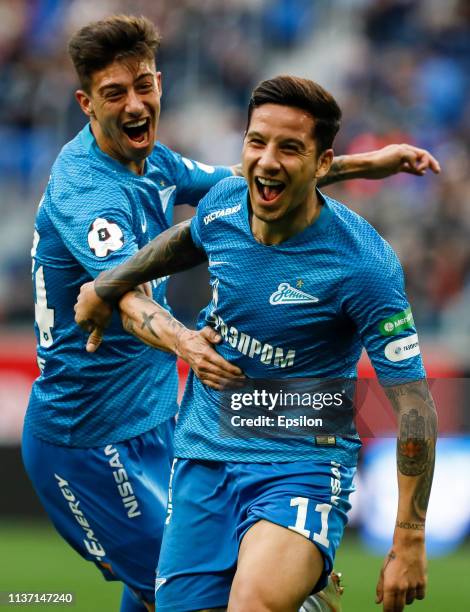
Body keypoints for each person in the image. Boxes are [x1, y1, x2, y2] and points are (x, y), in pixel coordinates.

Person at [22, 12, 439, 612]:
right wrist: (175, 334)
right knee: (186, 594)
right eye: (115, 93)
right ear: (86, 103)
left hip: (163, 419)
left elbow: (246, 183)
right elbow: (133, 302)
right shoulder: (88, 190)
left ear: (161, 83)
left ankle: (292, 582)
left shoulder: (160, 164)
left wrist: (361, 165)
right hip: (87, 434)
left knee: (177, 596)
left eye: (143, 85)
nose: (135, 104)